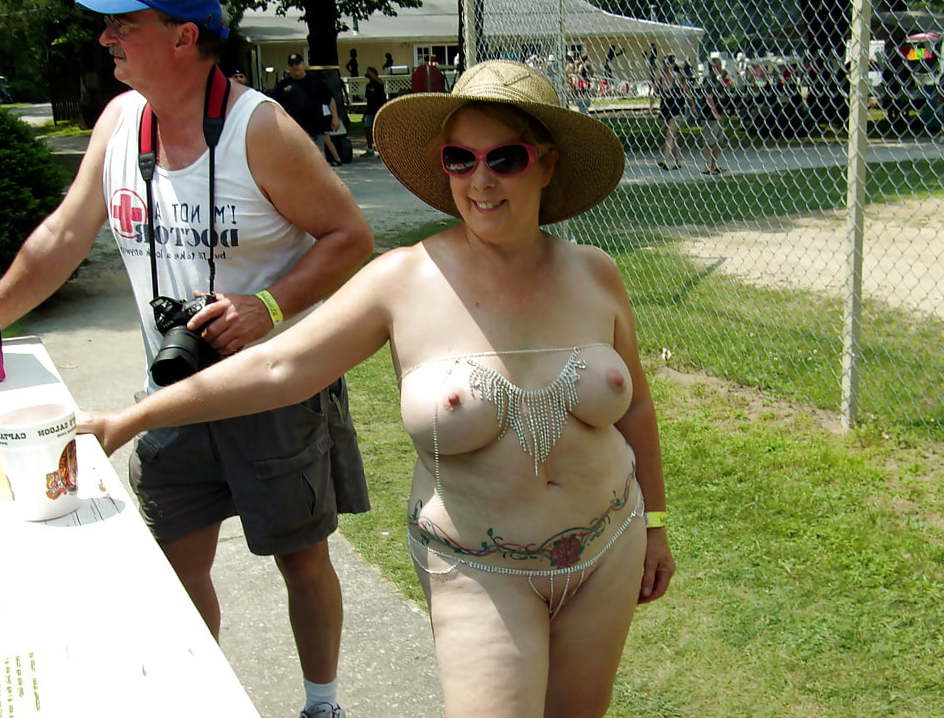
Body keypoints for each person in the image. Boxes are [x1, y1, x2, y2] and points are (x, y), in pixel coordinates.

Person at [79, 59, 675, 718]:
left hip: (606, 550)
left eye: (505, 159)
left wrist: (654, 525)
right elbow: (279, 368)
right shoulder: (403, 279)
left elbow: (637, 407)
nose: (480, 180)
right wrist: (130, 419)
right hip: (479, 569)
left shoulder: (596, 273)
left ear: (547, 164)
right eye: (459, 159)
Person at [0, 2, 374, 716]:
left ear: (184, 36)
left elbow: (350, 236)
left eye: (123, 24)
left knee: (301, 557)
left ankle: (321, 705)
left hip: (272, 389)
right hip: (169, 389)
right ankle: (200, 702)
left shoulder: (258, 129)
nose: (105, 36)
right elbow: (61, 239)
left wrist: (267, 305)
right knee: (177, 568)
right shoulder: (119, 122)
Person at [276, 53, 343, 166]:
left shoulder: (315, 81)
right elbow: (275, 104)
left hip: (316, 127)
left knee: (318, 159)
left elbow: (330, 99)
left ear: (303, 65)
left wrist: (335, 117)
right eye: (291, 64)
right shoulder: (283, 84)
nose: (295, 66)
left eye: (297, 63)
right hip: (294, 129)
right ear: (289, 67)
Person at [656, 55, 688, 170]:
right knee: (672, 136)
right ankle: (678, 161)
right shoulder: (661, 78)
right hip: (665, 109)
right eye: (664, 65)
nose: (665, 67)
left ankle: (665, 161)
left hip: (676, 110)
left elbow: (685, 90)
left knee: (670, 134)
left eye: (667, 65)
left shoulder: (677, 77)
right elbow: (655, 92)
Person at [700, 57, 726, 175]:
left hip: (719, 114)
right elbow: (708, 97)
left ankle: (714, 166)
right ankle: (706, 167)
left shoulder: (718, 80)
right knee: (709, 142)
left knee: (718, 142)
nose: (722, 68)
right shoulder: (709, 80)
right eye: (720, 66)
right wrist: (715, 112)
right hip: (710, 116)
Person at [361, 66, 386, 157]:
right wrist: (365, 113)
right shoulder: (368, 86)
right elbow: (368, 100)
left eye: (370, 72)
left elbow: (383, 98)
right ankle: (370, 149)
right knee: (367, 128)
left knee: (378, 131)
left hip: (378, 110)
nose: (368, 74)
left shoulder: (380, 84)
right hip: (370, 110)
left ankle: (381, 151)